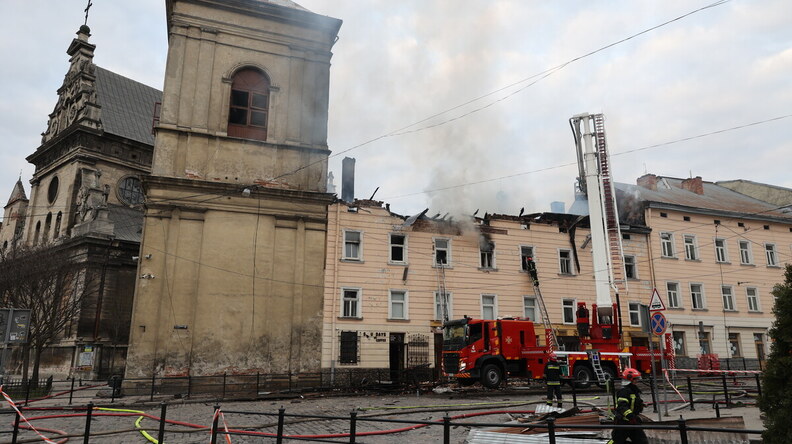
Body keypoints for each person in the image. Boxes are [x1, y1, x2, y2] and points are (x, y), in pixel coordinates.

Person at [607, 368, 648, 444]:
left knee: (642, 442)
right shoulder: (624, 391)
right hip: (623, 422)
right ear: (630, 379)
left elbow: (633, 401)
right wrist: (630, 416)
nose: (637, 381)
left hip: (633, 422)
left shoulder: (633, 390)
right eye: (635, 379)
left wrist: (641, 404)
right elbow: (622, 407)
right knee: (616, 441)